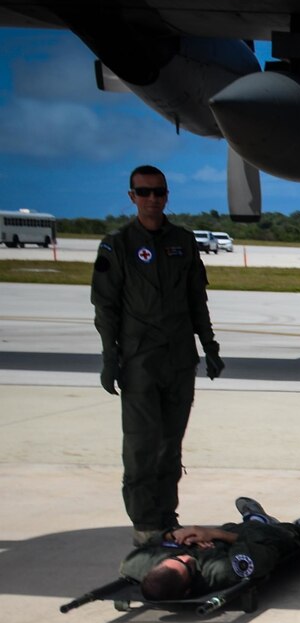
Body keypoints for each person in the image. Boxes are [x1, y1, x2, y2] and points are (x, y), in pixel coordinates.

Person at [91, 164, 224, 544]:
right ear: (131, 196)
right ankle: (145, 524)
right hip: (139, 362)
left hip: (179, 360)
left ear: (167, 196)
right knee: (140, 447)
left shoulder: (182, 241)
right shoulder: (117, 245)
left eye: (158, 192)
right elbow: (105, 307)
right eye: (144, 192)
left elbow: (197, 299)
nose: (152, 199)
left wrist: (209, 347)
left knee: (171, 444)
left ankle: (167, 517)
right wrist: (108, 359)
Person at [122, 497, 300, 600]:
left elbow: (146, 548)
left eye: (176, 558)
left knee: (237, 527)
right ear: (188, 590)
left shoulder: (139, 566)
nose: (185, 558)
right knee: (278, 533)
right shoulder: (222, 571)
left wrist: (175, 536)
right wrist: (214, 535)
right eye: (186, 566)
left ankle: (256, 518)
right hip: (265, 542)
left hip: (229, 536)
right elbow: (261, 552)